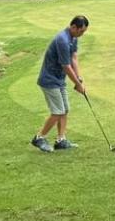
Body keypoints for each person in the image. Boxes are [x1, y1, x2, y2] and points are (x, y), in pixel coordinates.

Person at [32, 15, 90, 153]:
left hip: (59, 80)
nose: (81, 35)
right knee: (58, 111)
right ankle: (39, 137)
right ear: (73, 27)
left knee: (65, 109)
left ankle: (60, 140)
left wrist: (79, 79)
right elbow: (66, 66)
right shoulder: (62, 40)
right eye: (80, 31)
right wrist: (77, 84)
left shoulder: (73, 38)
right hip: (49, 80)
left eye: (83, 32)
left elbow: (74, 58)